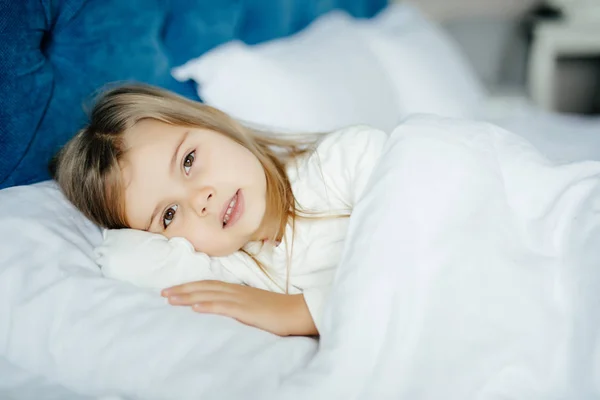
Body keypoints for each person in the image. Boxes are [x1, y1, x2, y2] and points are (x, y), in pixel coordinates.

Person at [53, 83, 387, 337]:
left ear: (214, 122)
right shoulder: (234, 271)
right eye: (169, 214)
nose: (200, 199)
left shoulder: (343, 159)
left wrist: (300, 312)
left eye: (188, 160)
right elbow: (121, 260)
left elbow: (421, 247)